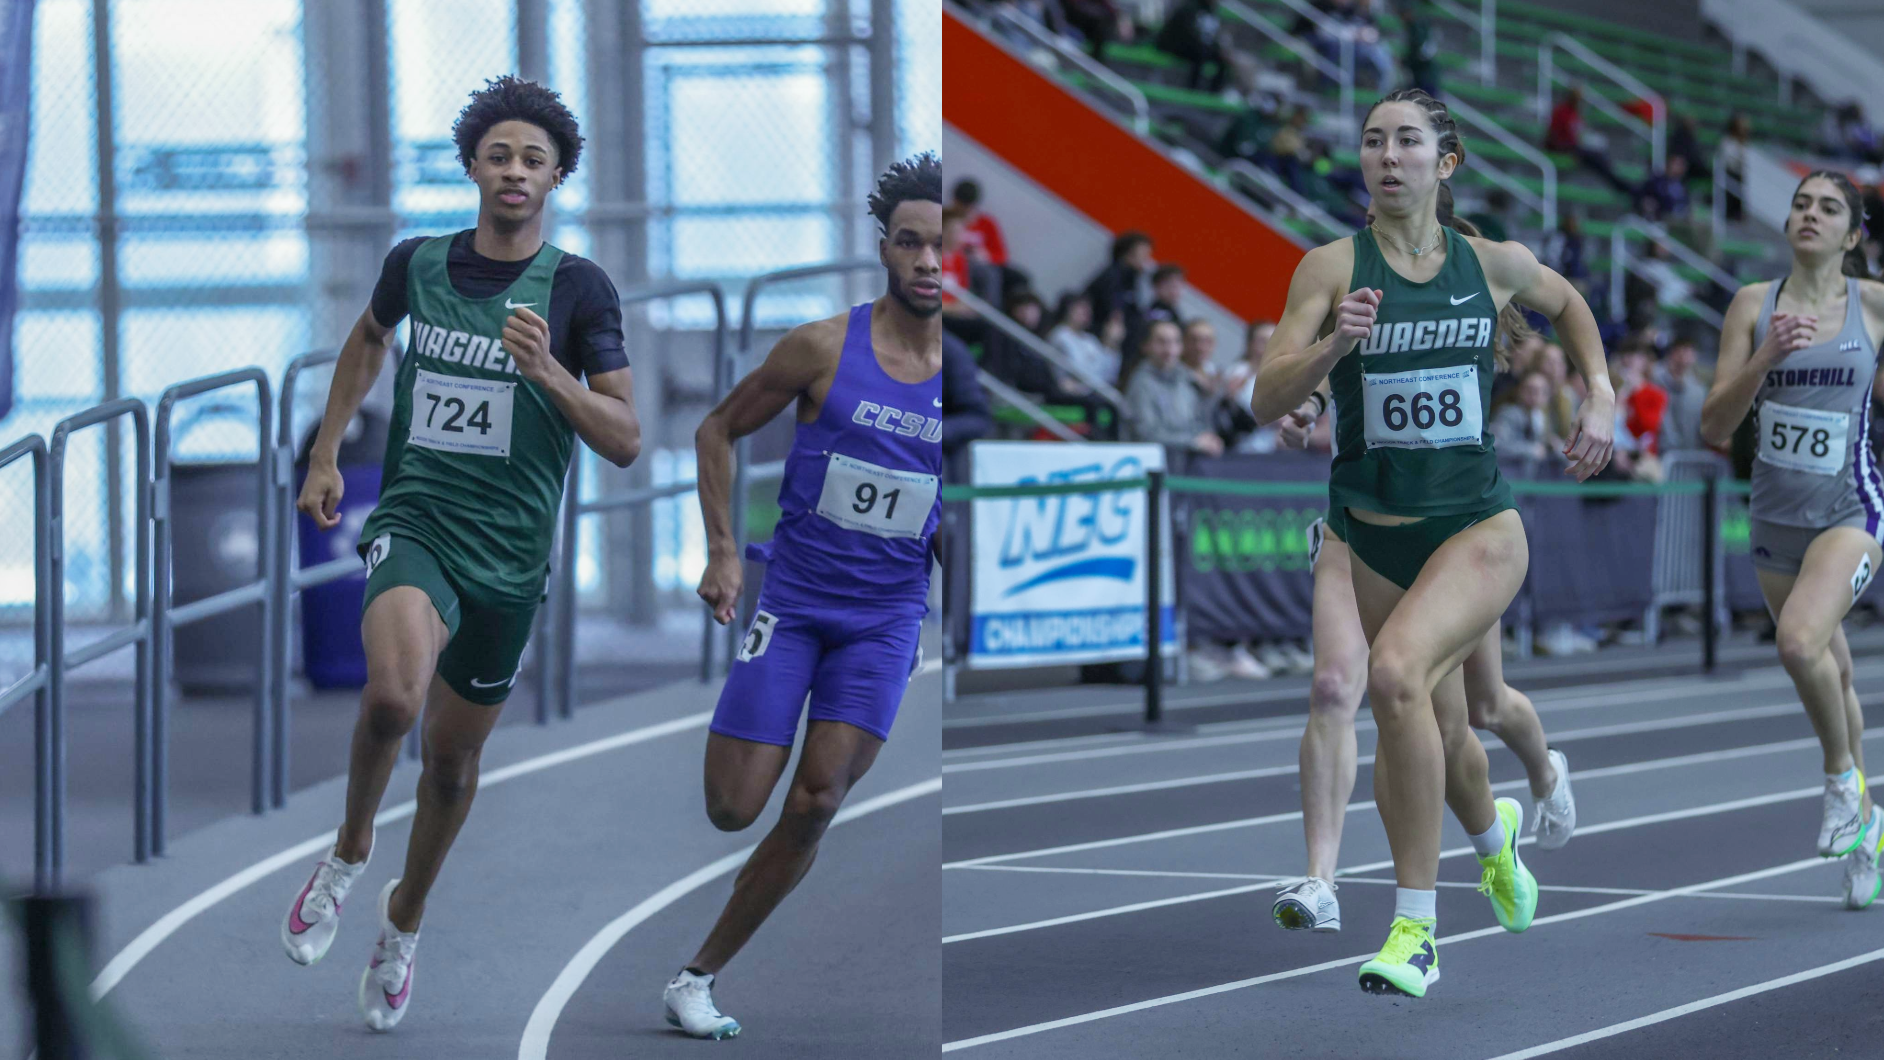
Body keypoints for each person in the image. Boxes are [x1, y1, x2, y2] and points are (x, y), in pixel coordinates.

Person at [281, 77, 641, 1032]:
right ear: (472, 167)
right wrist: (325, 449)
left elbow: (625, 437)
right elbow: (367, 339)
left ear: (556, 174)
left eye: (533, 158)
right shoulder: (418, 265)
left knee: (449, 762)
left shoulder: (577, 289)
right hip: (420, 517)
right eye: (499, 155)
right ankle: (351, 847)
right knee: (393, 697)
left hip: (510, 557)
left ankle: (404, 917)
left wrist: (547, 370)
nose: (514, 171)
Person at [1252, 88, 1615, 998]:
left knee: (1394, 678)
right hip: (1375, 532)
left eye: (1406, 141)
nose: (1386, 155)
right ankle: (1495, 848)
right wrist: (1333, 348)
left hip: (1478, 527)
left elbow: (1570, 306)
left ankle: (1415, 929)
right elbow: (1266, 395)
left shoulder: (1492, 264)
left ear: (1444, 164)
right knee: (1445, 733)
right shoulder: (1330, 268)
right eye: (1372, 140)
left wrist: (1601, 391)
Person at [662, 154, 942, 1039]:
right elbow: (716, 429)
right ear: (886, 251)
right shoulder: (822, 346)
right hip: (794, 603)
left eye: (944, 247)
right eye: (911, 244)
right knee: (731, 807)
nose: (929, 262)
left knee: (817, 799)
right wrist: (722, 553)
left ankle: (696, 977)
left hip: (886, 621)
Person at [1698, 170, 1884, 910]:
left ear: (1853, 235)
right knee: (1832, 674)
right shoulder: (1753, 306)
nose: (1810, 214)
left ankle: (1841, 784)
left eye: (1829, 208)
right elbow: (1713, 427)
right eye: (1802, 204)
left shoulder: (1873, 305)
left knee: (1800, 644)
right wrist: (1765, 355)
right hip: (1774, 519)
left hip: (1852, 509)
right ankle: (1869, 827)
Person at [1126, 319, 1223, 456]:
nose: (1169, 349)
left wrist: (1208, 437)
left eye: (1175, 342)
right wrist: (1192, 442)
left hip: (1187, 462)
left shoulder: (1185, 378)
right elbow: (1145, 434)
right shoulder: (1141, 383)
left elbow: (1197, 420)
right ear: (1146, 346)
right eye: (1161, 342)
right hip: (1154, 466)